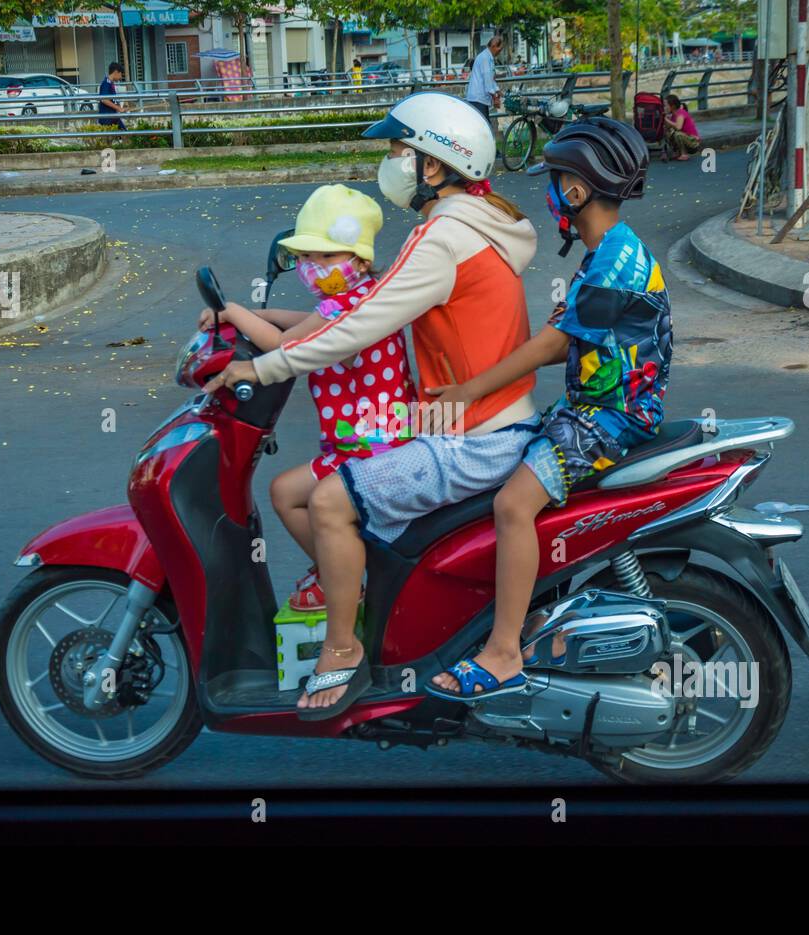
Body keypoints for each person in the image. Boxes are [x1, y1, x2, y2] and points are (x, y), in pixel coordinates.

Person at [204, 92, 540, 720]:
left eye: (397, 151)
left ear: (433, 165)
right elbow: (361, 306)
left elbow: (355, 325)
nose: (391, 163)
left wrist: (263, 365)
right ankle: (366, 588)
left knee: (329, 499)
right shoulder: (473, 223)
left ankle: (341, 647)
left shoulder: (445, 236)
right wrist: (255, 324)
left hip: (472, 434)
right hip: (467, 418)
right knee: (294, 490)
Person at [424, 118, 670, 700]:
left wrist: (470, 389)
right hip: (595, 406)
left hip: (610, 420)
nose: (550, 192)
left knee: (513, 504)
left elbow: (554, 343)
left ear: (578, 191)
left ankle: (504, 653)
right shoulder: (613, 250)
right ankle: (540, 621)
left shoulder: (613, 263)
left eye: (555, 181)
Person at [199, 185, 415, 611]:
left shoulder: (348, 308)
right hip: (376, 440)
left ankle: (342, 575)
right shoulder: (363, 297)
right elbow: (308, 323)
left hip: (369, 450)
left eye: (328, 257)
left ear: (361, 260)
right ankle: (340, 569)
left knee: (285, 493)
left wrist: (233, 311)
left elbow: (287, 345)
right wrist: (257, 315)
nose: (314, 267)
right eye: (306, 257)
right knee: (290, 492)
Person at [466, 34, 504, 129]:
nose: (500, 50)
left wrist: (498, 91)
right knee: (484, 127)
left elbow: (491, 79)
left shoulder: (488, 58)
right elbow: (488, 81)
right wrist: (495, 98)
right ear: (494, 46)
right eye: (500, 48)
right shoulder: (485, 58)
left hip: (480, 99)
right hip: (477, 99)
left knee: (484, 126)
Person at [663, 94, 702, 160]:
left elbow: (678, 127)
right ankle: (678, 153)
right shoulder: (672, 116)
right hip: (687, 140)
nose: (664, 108)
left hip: (694, 142)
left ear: (673, 106)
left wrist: (666, 120)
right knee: (668, 133)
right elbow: (667, 129)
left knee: (677, 134)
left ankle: (684, 154)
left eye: (665, 106)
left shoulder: (681, 113)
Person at [98, 62, 126, 130]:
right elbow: (104, 99)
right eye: (120, 74)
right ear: (116, 72)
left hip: (113, 117)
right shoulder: (106, 83)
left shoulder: (110, 83)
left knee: (124, 134)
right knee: (124, 134)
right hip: (107, 118)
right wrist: (118, 108)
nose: (121, 77)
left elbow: (112, 100)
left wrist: (120, 107)